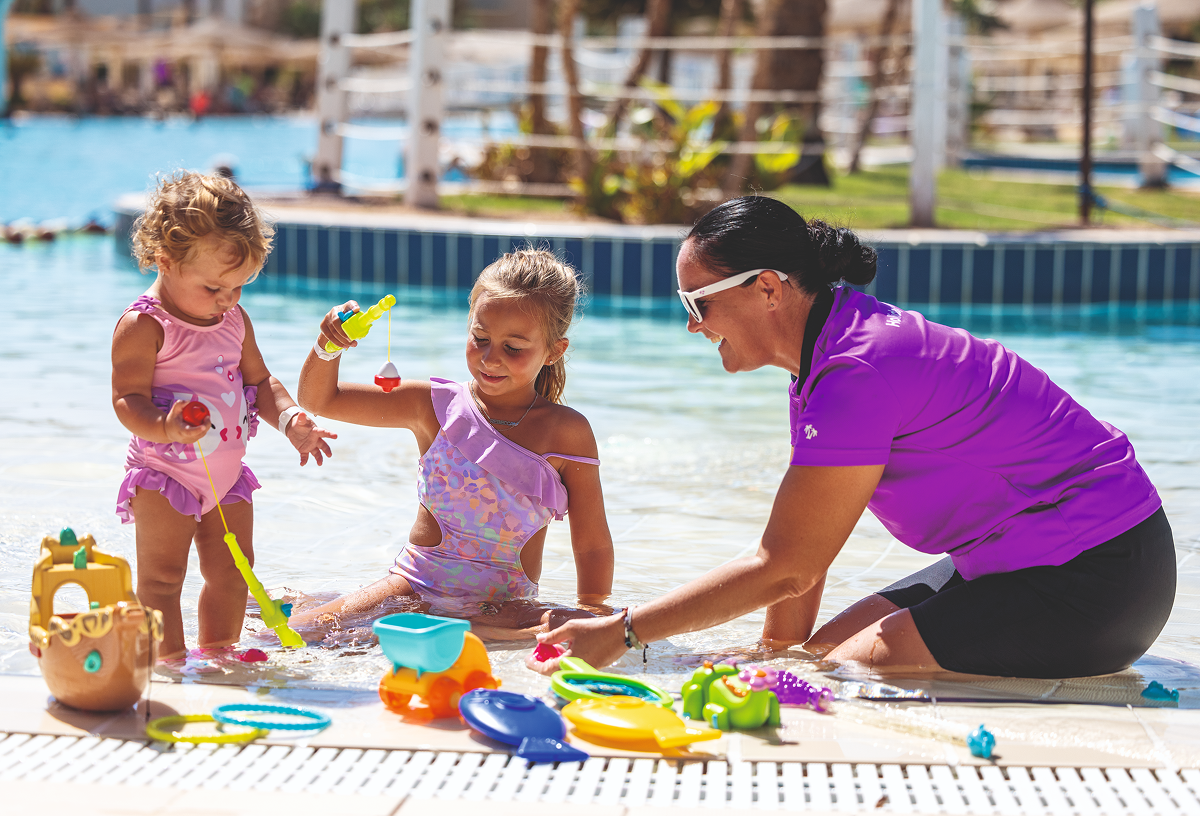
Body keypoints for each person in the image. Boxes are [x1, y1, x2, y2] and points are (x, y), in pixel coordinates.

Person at [534, 196, 1174, 679]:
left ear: (767, 288)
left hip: (1096, 577)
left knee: (854, 669)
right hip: (1026, 554)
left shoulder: (855, 369)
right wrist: (771, 653)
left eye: (697, 303)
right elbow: (805, 549)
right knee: (813, 659)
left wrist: (622, 633)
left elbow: (785, 567)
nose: (692, 326)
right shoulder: (824, 356)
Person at [290, 248, 615, 639]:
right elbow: (320, 400)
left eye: (513, 348)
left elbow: (592, 542)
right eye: (480, 339)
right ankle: (298, 603)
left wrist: (593, 612)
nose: (490, 358)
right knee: (298, 635)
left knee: (579, 627)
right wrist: (329, 344)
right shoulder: (432, 406)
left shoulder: (567, 432)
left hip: (505, 610)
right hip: (413, 591)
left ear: (553, 351)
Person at [112, 172, 337, 661]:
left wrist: (292, 419)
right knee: (162, 578)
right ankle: (166, 665)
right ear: (163, 260)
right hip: (164, 474)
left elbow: (261, 385)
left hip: (226, 476)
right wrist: (165, 426)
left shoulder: (234, 320)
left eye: (238, 286)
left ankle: (217, 658)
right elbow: (126, 400)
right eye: (215, 286)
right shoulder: (145, 325)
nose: (228, 299)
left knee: (235, 575)